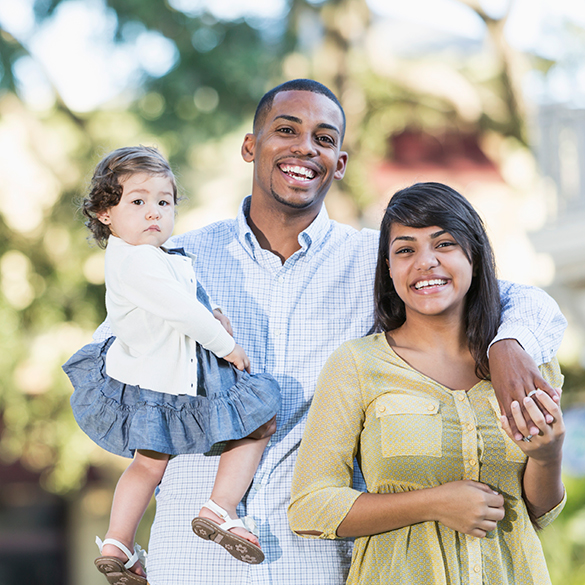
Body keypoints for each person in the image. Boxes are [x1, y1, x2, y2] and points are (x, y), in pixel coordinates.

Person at [87, 80, 567, 585]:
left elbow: (508, 295)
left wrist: (509, 344)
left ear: (339, 162)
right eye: (286, 130)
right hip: (189, 562)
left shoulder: (377, 261)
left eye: (323, 137)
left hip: (319, 564)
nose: (304, 148)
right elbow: (117, 371)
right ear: (251, 147)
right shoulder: (176, 263)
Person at [288, 182, 565, 585]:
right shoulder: (357, 365)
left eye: (444, 244)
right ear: (388, 267)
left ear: (474, 254)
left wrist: (547, 456)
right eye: (405, 249)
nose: (425, 262)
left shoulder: (527, 363)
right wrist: (433, 503)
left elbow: (540, 512)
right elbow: (310, 508)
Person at [62, 146, 281, 584]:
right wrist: (225, 345)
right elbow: (179, 309)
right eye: (138, 202)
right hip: (176, 382)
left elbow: (185, 298)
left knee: (147, 464)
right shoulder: (139, 259)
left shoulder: (141, 258)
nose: (153, 213)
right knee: (261, 419)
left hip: (148, 384)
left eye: (164, 202)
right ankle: (221, 508)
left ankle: (117, 543)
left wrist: (215, 311)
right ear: (106, 212)